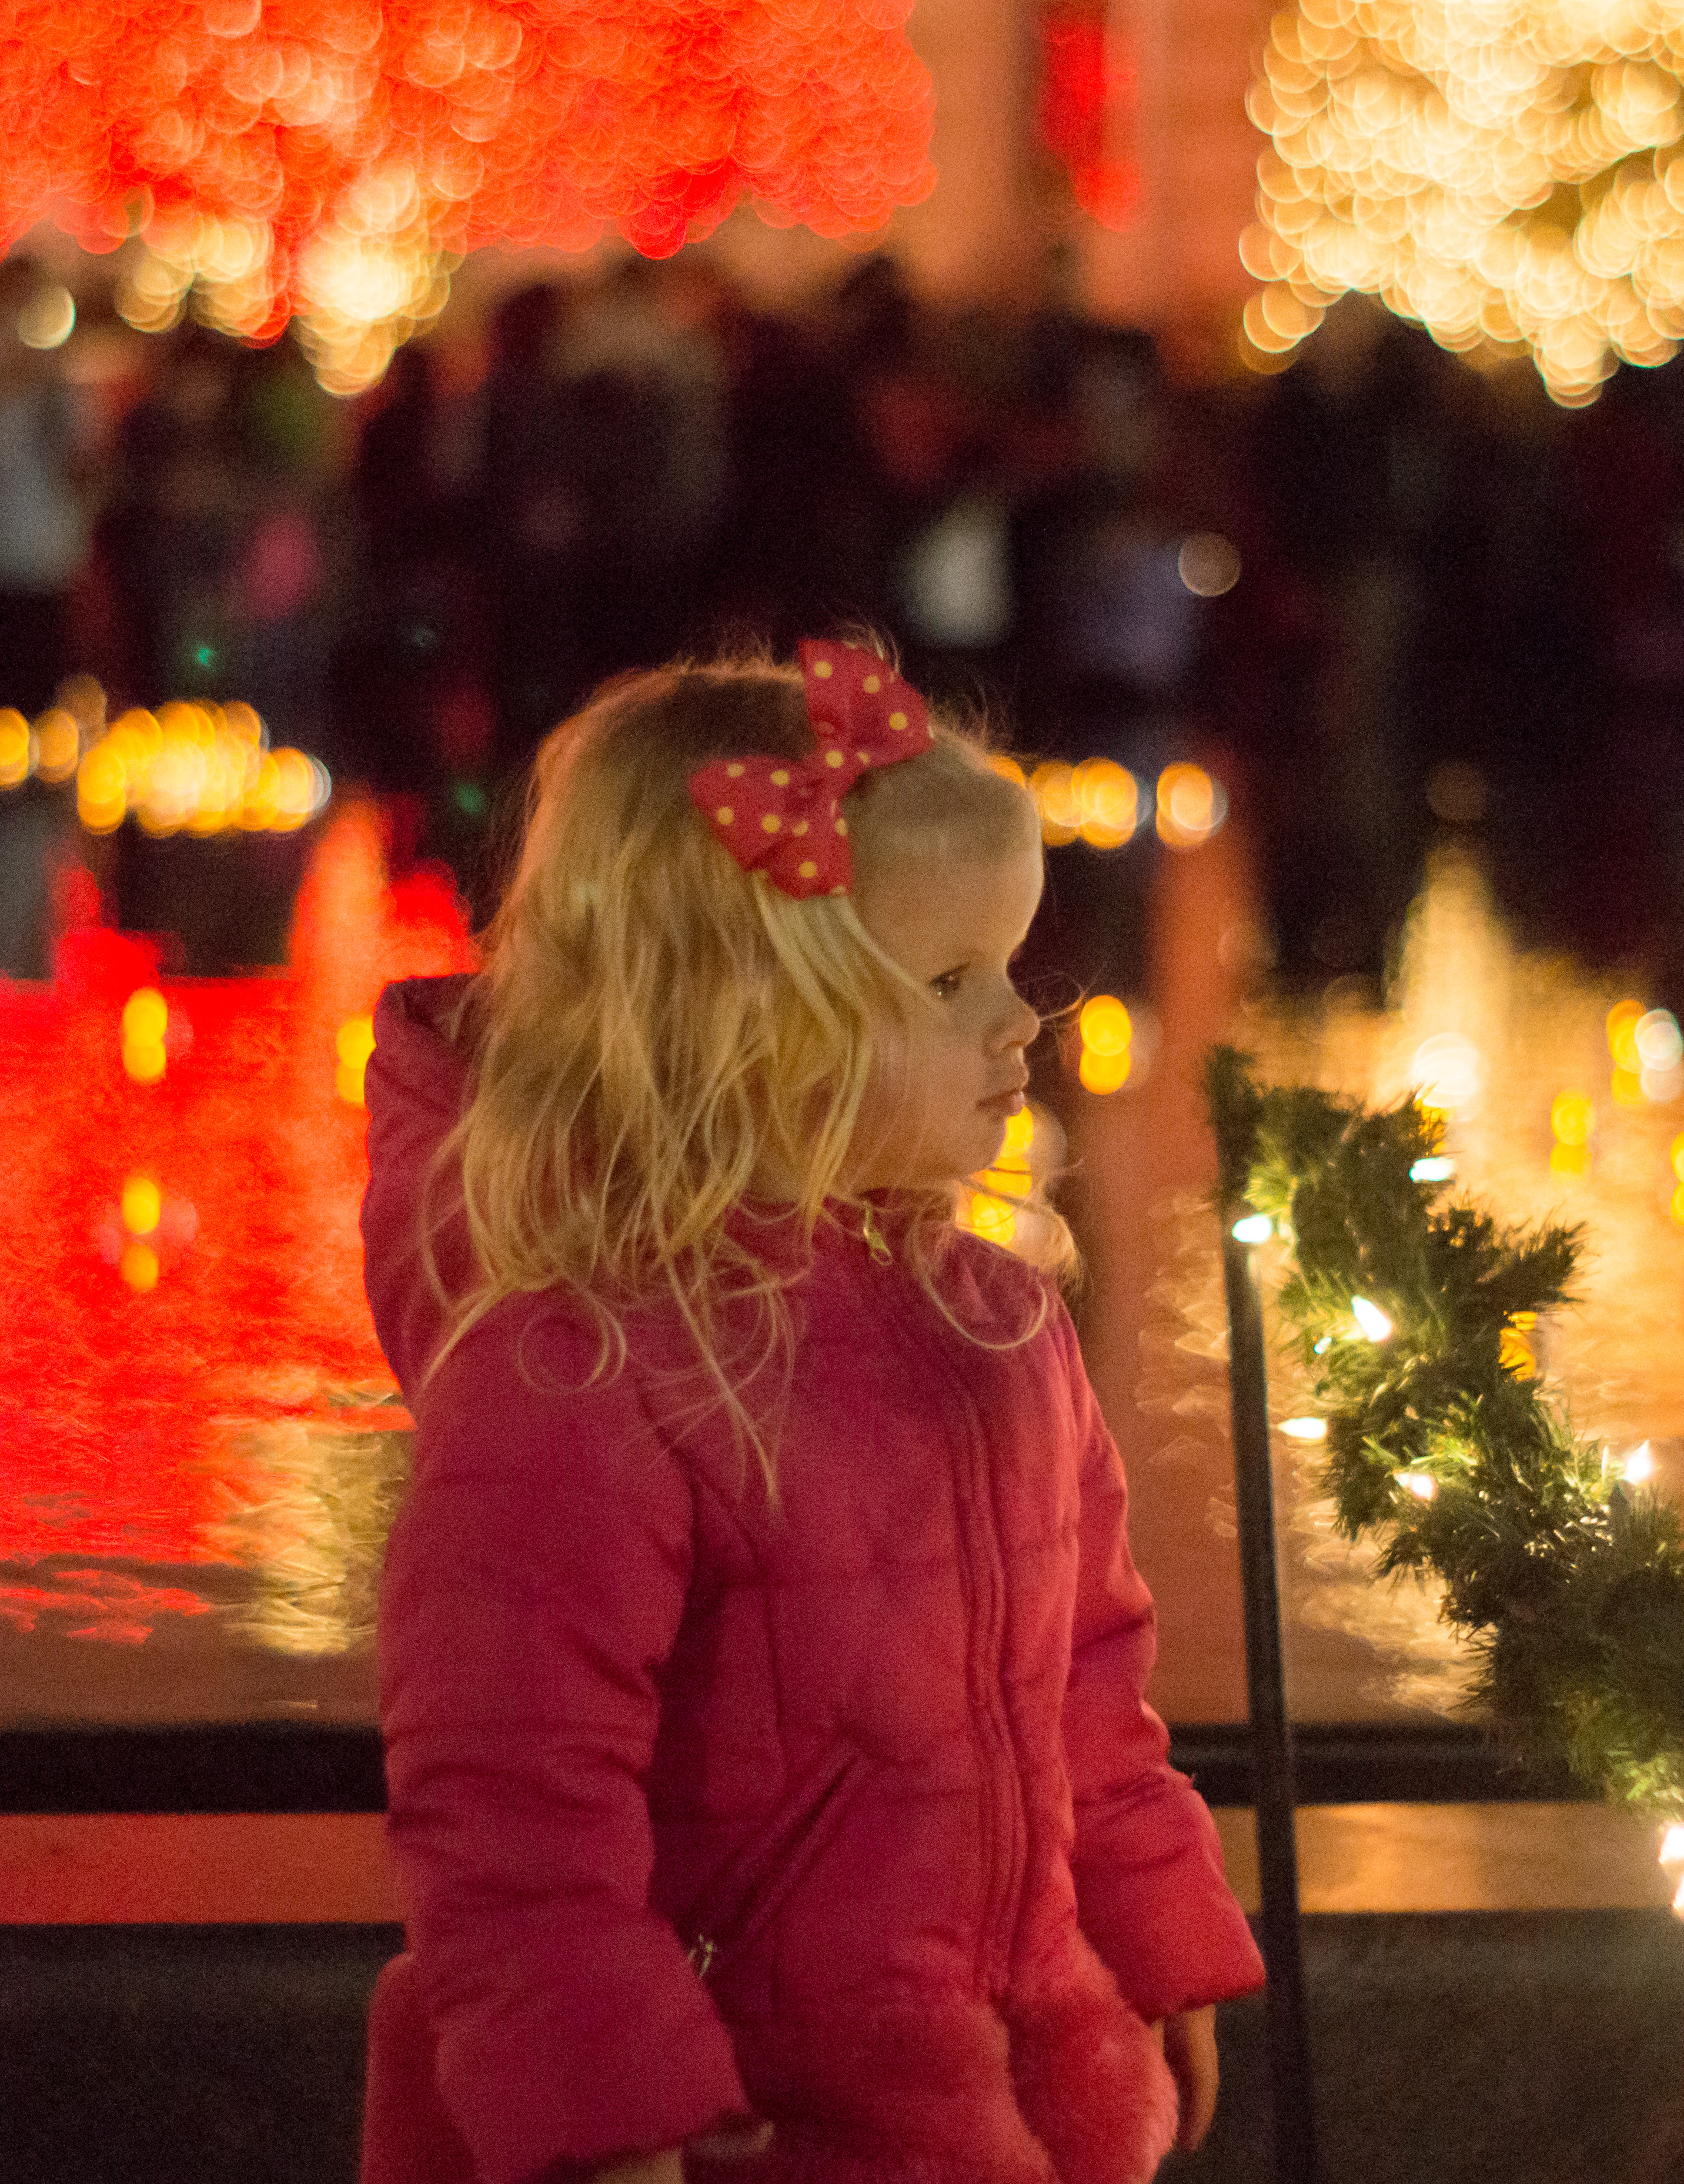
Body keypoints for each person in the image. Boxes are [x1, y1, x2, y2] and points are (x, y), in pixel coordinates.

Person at [357, 641, 1261, 2184]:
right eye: (946, 982)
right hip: (747, 2125)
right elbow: (518, 1819)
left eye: (1012, 967)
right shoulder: (580, 1372)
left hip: (991, 2095)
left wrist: (1151, 1928)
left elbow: (1086, 1681)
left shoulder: (999, 1321)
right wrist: (610, 2119)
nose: (1019, 1024)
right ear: (745, 1014)